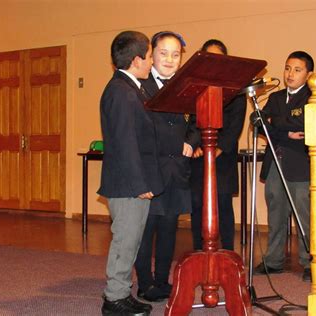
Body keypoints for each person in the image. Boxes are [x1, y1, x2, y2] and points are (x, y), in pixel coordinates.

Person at [98, 30, 163, 316]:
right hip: (127, 186)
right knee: (125, 240)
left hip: (131, 182)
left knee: (132, 239)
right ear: (137, 60)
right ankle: (114, 300)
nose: (152, 62)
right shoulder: (121, 93)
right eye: (149, 56)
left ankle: (122, 292)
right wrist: (139, 183)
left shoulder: (130, 88)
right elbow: (125, 144)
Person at [134, 31, 199, 302]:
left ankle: (162, 280)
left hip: (177, 171)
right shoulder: (140, 85)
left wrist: (190, 140)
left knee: (170, 229)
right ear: (152, 54)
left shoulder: (187, 86)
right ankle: (145, 283)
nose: (170, 60)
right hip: (152, 169)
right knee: (146, 230)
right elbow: (139, 128)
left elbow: (197, 121)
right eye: (163, 53)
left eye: (176, 54)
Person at [254, 51, 314, 282]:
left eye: (297, 70)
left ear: (308, 74)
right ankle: (273, 261)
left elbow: (303, 125)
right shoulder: (277, 97)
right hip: (275, 163)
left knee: (304, 216)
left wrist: (277, 126)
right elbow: (258, 122)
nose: (290, 74)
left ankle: (310, 262)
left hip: (300, 165)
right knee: (276, 213)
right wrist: (286, 131)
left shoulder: (313, 96)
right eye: (288, 68)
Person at [190, 39, 247, 251]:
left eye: (218, 58)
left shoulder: (235, 89)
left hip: (222, 158)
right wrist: (195, 146)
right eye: (209, 57)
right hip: (197, 156)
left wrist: (215, 151)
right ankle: (199, 251)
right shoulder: (194, 85)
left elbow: (234, 126)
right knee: (197, 205)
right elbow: (190, 120)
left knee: (223, 205)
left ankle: (228, 253)